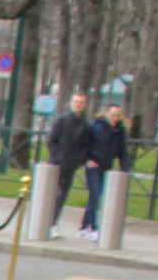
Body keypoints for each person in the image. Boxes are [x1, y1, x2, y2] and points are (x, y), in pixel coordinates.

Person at [45, 89, 93, 235]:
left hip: (70, 165)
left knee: (62, 194)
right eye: (76, 102)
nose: (78, 105)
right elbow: (51, 141)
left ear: (85, 105)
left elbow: (85, 145)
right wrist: (57, 158)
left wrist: (79, 161)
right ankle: (48, 222)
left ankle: (53, 222)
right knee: (53, 194)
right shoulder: (62, 120)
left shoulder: (85, 124)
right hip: (56, 163)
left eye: (81, 103)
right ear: (71, 103)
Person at [79, 103, 129, 238]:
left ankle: (83, 226)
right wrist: (87, 160)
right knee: (96, 194)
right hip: (93, 165)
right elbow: (84, 144)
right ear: (107, 114)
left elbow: (122, 151)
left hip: (107, 166)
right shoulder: (95, 127)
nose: (115, 118)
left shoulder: (120, 130)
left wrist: (125, 168)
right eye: (113, 115)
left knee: (94, 196)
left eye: (118, 116)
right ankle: (94, 228)